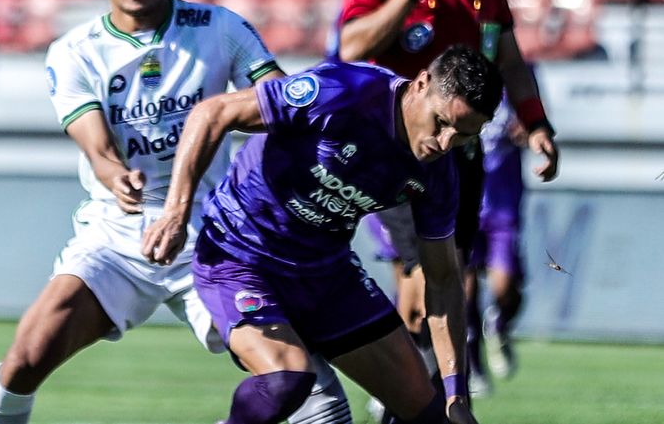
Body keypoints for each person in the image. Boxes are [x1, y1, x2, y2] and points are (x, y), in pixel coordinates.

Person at [0, 0, 351, 423]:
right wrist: (116, 176)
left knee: (299, 382)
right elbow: (98, 150)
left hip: (214, 238)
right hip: (115, 236)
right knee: (26, 358)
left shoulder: (219, 28)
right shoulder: (74, 50)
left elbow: (277, 102)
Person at [142, 45, 504, 424]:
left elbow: (444, 281)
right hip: (241, 256)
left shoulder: (440, 173)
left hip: (327, 274)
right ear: (421, 84)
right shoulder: (346, 90)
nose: (444, 143)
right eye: (441, 122)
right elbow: (212, 112)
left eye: (463, 135)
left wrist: (456, 396)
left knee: (431, 417)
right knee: (286, 380)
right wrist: (175, 212)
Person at [337, 0, 560, 398]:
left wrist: (535, 122)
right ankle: (407, 396)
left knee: (445, 284)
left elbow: (509, 60)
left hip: (461, 156)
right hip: (396, 149)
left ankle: (426, 394)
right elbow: (351, 47)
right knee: (424, 282)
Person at [466, 90, 527, 386]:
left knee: (506, 287)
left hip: (502, 205)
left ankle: (498, 323)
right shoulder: (460, 72)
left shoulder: (518, 73)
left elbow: (533, 118)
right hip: (464, 204)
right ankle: (472, 366)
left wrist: (529, 128)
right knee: (463, 290)